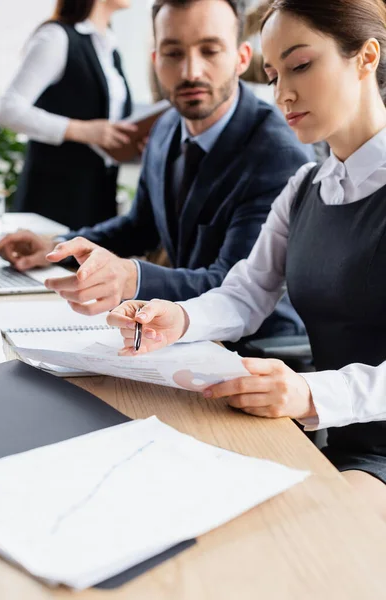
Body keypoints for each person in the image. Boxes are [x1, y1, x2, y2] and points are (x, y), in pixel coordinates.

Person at [108, 0, 386, 521]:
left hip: (369, 447)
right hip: (328, 437)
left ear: (365, 57)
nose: (282, 93)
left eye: (301, 65)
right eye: (274, 73)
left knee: (311, 534)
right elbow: (247, 293)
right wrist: (179, 319)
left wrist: (309, 391)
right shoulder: (305, 186)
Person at [0, 0, 312, 342]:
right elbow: (139, 227)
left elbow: (236, 286)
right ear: (156, 61)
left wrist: (132, 277)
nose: (191, 71)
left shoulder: (277, 154)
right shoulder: (165, 129)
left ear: (242, 58)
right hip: (176, 335)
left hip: (255, 350)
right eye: (173, 53)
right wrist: (60, 247)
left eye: (210, 50)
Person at [0, 0, 134, 230]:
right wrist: (82, 131)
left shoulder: (109, 47)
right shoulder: (57, 37)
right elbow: (9, 109)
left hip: (98, 194)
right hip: (55, 197)